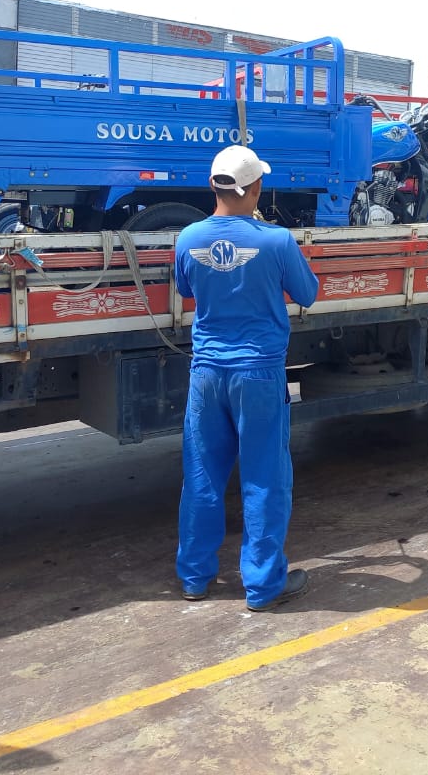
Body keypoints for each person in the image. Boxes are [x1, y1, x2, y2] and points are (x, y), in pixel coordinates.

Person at [174, 145, 319, 611]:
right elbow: (308, 294)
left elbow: (184, 287)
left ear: (212, 186)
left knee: (201, 476)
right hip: (256, 373)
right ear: (255, 188)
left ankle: (194, 578)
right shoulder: (276, 241)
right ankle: (262, 586)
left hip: (207, 373)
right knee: (263, 478)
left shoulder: (187, 238)